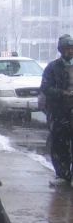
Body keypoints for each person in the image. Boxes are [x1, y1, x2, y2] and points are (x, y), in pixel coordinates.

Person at [40, 34, 73, 187]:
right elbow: (45, 88)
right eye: (68, 48)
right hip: (59, 112)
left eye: (72, 48)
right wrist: (62, 93)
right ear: (61, 50)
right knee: (59, 144)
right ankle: (63, 175)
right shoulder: (53, 68)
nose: (71, 51)